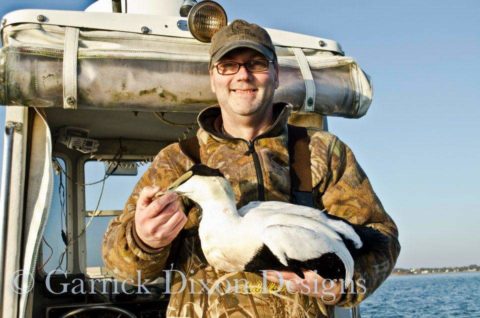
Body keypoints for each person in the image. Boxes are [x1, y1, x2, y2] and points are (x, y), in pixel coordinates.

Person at [103, 19, 400, 318]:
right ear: (213, 77)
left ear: (275, 74)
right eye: (228, 65)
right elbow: (121, 267)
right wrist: (143, 239)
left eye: (256, 64)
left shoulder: (321, 152)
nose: (243, 76)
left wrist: (340, 285)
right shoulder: (178, 161)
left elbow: (381, 238)